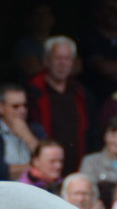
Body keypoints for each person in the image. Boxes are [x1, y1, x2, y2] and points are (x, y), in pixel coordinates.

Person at [26, 36, 90, 169]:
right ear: (46, 61)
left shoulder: (81, 92)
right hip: (44, 168)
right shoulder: (32, 91)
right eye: (57, 58)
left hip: (75, 165)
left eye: (67, 59)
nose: (63, 63)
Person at [0, 83, 43, 182]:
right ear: (0, 107)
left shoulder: (36, 130)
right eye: (15, 106)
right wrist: (36, 168)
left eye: (25, 105)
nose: (22, 110)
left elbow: (51, 161)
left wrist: (28, 137)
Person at [11, 2, 55, 81]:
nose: (43, 17)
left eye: (46, 14)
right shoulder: (24, 45)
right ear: (30, 19)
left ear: (52, 19)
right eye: (38, 14)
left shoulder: (59, 43)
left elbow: (77, 66)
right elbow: (32, 69)